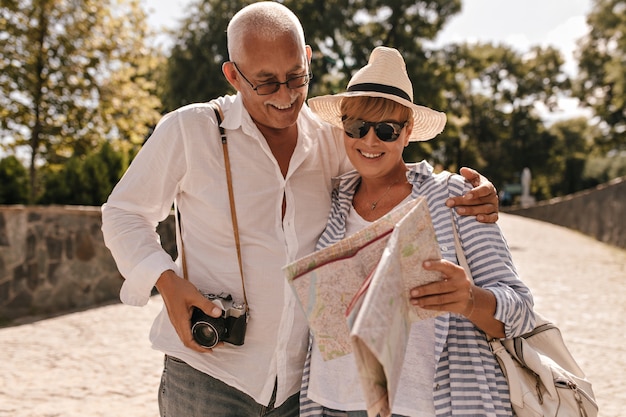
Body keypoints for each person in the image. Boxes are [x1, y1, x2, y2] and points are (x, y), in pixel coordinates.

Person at [101, 3, 499, 416]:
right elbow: (123, 213)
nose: (286, 95)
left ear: (307, 58)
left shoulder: (332, 141)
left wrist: (471, 189)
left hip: (299, 390)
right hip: (206, 376)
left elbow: (388, 165)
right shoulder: (189, 129)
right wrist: (165, 281)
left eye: (296, 77)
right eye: (266, 83)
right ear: (234, 75)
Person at [299, 46, 536, 417]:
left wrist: (469, 299)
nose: (370, 141)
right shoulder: (332, 197)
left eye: (387, 129)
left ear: (407, 132)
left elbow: (521, 311)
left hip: (428, 407)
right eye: (357, 127)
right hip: (331, 404)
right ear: (343, 127)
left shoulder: (453, 196)